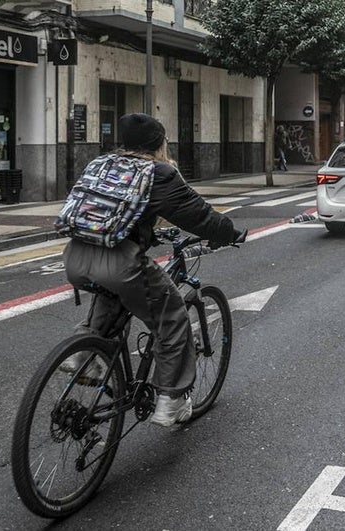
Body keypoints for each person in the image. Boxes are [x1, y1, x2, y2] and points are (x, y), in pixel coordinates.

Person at [61, 113, 244, 427]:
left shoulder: (103, 163)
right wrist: (229, 233)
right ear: (159, 143)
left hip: (76, 256)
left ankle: (82, 352)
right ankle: (171, 400)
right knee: (172, 316)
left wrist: (148, 233)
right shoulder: (158, 172)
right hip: (118, 263)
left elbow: (110, 211)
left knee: (113, 299)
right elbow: (199, 216)